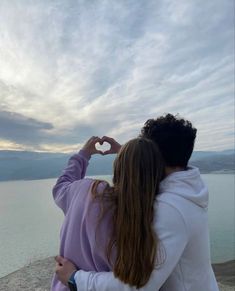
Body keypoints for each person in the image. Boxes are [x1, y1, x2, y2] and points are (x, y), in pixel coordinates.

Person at [55, 114, 219, 291]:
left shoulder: (169, 209)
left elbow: (140, 285)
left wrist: (75, 278)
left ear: (154, 156)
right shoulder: (188, 188)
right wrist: (128, 153)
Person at [51, 136, 165, 290]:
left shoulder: (87, 191)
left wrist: (84, 154)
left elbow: (61, 185)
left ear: (117, 166)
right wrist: (134, 157)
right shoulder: (146, 217)